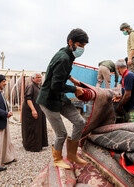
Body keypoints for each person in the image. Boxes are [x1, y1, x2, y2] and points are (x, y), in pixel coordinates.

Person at [37, 28, 88, 169]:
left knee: (80, 122)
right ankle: (57, 159)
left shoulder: (67, 54)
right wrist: (74, 89)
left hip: (59, 97)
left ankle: (72, 154)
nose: (82, 49)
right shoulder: (64, 58)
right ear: (71, 42)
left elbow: (60, 72)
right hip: (48, 100)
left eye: (84, 46)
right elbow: (55, 85)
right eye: (80, 45)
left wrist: (72, 79)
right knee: (62, 134)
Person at [21, 72, 48, 152]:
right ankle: (32, 146)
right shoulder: (31, 86)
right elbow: (28, 99)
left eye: (40, 77)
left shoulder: (38, 86)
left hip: (38, 109)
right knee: (33, 128)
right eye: (37, 77)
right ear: (33, 78)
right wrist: (33, 110)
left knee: (38, 127)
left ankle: (38, 144)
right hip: (31, 111)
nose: (39, 79)